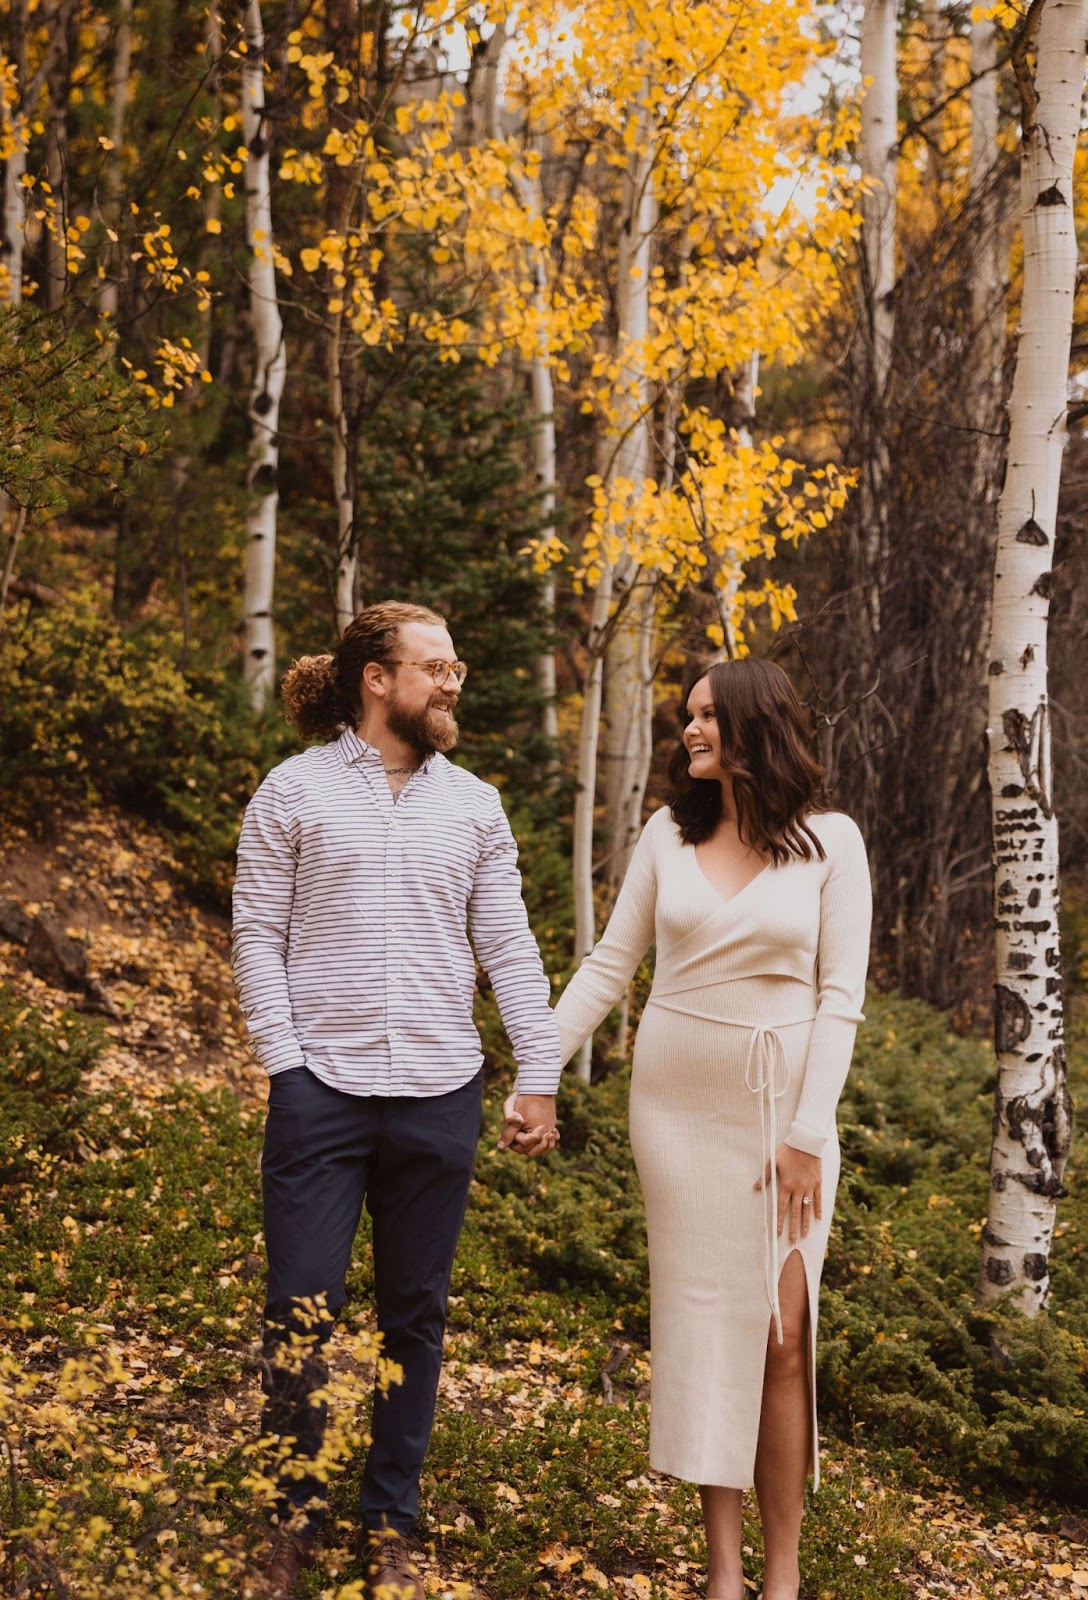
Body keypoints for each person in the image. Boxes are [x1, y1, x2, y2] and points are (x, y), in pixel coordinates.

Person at [231, 600, 561, 1600]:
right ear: (376, 677)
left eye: (456, 665)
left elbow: (505, 944)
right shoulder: (291, 792)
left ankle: (389, 1517)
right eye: (435, 665)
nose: (452, 680)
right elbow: (256, 937)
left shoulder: (475, 805)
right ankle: (288, 1513)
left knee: (412, 1314)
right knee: (300, 1306)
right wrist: (286, 1064)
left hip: (438, 1092)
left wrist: (534, 1072)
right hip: (319, 1095)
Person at [548, 658, 871, 1600]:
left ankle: (783, 1573)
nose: (688, 730)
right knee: (703, 1331)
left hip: (783, 1117)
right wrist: (537, 1071)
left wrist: (810, 1132)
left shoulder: (832, 844)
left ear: (755, 725)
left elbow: (841, 999)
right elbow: (610, 966)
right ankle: (724, 1571)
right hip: (677, 1115)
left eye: (706, 717)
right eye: (685, 716)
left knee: (780, 1334)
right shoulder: (665, 833)